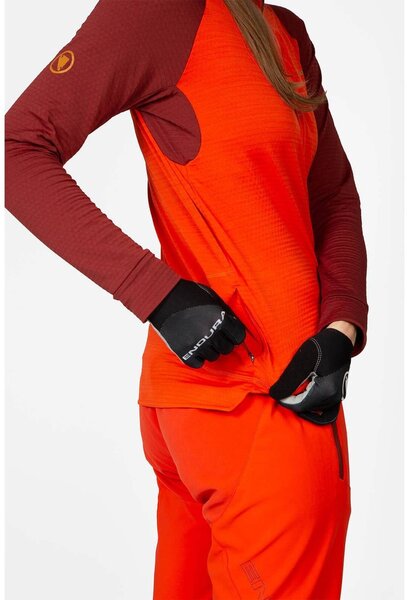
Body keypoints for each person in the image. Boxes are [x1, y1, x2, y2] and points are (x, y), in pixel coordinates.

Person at [5, 0, 369, 597]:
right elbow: (17, 148)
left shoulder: (284, 30)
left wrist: (342, 327)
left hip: (275, 388)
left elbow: (331, 194)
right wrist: (156, 293)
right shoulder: (159, 12)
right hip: (257, 409)